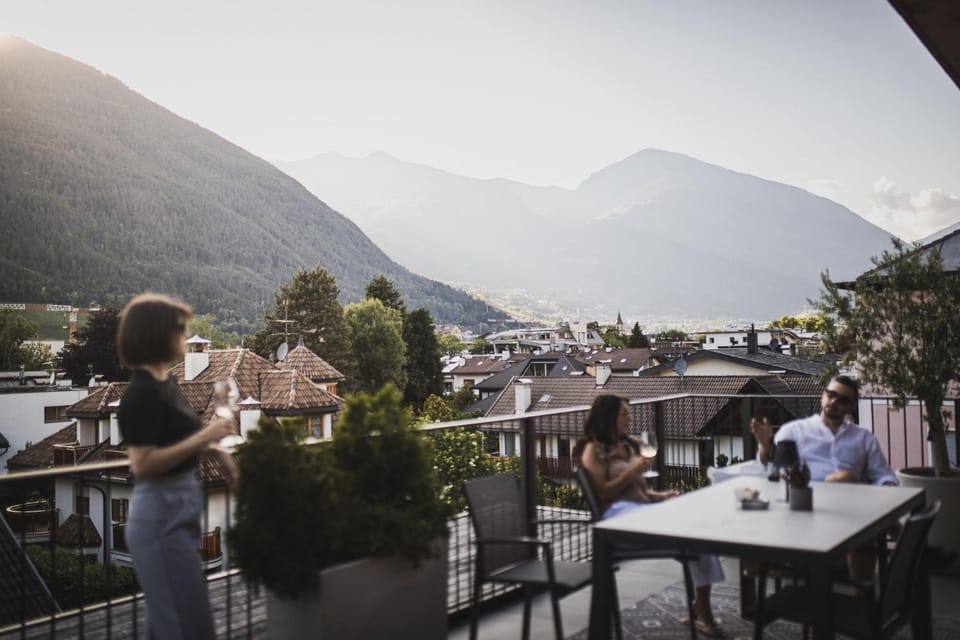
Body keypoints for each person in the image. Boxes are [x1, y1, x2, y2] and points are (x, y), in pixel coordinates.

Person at [117, 293, 237, 640]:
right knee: (183, 625)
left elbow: (174, 440)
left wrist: (215, 450)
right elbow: (143, 464)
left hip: (177, 511)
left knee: (178, 622)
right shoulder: (140, 394)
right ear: (158, 334)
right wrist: (207, 437)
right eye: (181, 329)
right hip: (159, 517)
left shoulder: (165, 384)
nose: (187, 336)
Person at [575, 394, 727, 638]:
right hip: (618, 521)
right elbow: (602, 493)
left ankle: (701, 603)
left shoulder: (630, 445)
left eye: (629, 412)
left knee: (701, 530)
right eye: (624, 413)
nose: (630, 418)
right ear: (608, 417)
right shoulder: (593, 449)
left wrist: (662, 496)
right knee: (695, 530)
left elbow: (639, 493)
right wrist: (634, 469)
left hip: (641, 513)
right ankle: (704, 612)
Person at [750, 374, 897, 579]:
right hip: (804, 510)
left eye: (843, 399)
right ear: (823, 396)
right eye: (831, 394)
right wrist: (765, 445)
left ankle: (860, 600)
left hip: (850, 514)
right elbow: (773, 467)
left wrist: (888, 496)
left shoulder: (863, 438)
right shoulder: (794, 431)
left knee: (851, 493)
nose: (834, 401)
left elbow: (882, 475)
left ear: (851, 407)